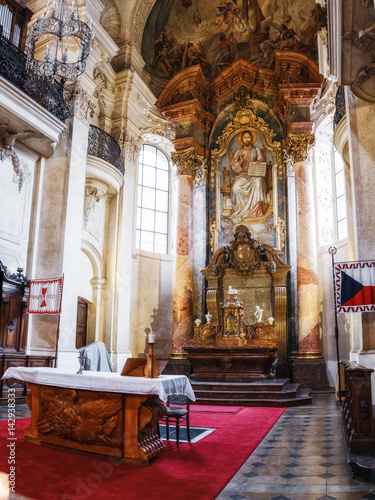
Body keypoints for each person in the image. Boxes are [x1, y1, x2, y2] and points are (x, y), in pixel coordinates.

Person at [228, 130, 268, 224]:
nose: (247, 139)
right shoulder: (238, 152)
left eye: (248, 137)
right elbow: (233, 168)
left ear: (251, 139)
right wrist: (240, 161)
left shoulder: (256, 150)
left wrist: (259, 162)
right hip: (242, 176)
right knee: (235, 188)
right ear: (242, 139)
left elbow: (262, 162)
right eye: (245, 137)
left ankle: (256, 211)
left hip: (254, 176)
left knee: (258, 182)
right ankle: (239, 212)